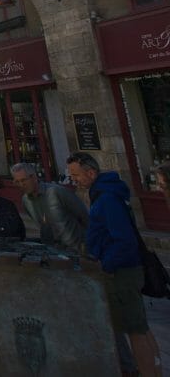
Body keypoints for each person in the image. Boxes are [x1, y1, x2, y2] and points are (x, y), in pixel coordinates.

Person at [67, 151, 161, 377]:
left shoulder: (107, 198)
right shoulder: (105, 193)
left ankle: (149, 372)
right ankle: (155, 371)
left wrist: (106, 265)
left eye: (76, 175)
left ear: (91, 172)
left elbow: (123, 239)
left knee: (135, 331)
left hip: (121, 272)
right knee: (141, 328)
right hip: (124, 269)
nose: (74, 180)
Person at [11, 161, 87, 250]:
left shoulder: (57, 192)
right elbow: (41, 225)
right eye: (17, 182)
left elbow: (84, 216)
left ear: (34, 177)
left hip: (76, 248)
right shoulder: (26, 201)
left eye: (24, 180)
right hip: (53, 250)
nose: (21, 185)